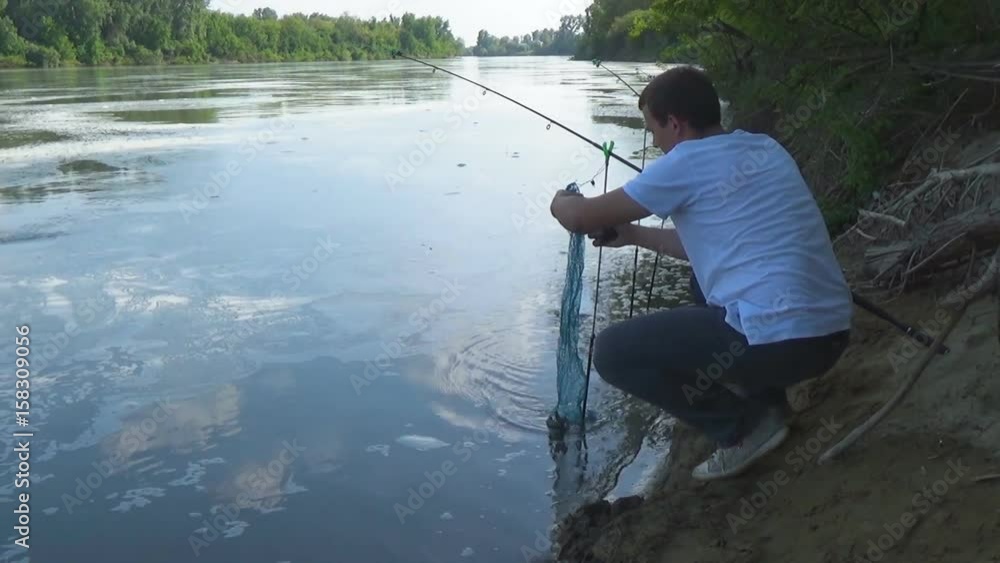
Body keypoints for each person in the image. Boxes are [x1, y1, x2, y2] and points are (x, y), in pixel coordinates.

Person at [549, 65, 853, 481]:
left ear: (675, 123)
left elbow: (580, 217)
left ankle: (742, 428)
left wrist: (560, 199)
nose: (655, 143)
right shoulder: (764, 147)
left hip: (782, 346)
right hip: (831, 335)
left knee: (611, 352)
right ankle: (770, 406)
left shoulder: (684, 162)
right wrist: (634, 234)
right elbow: (708, 247)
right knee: (702, 282)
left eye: (653, 130)